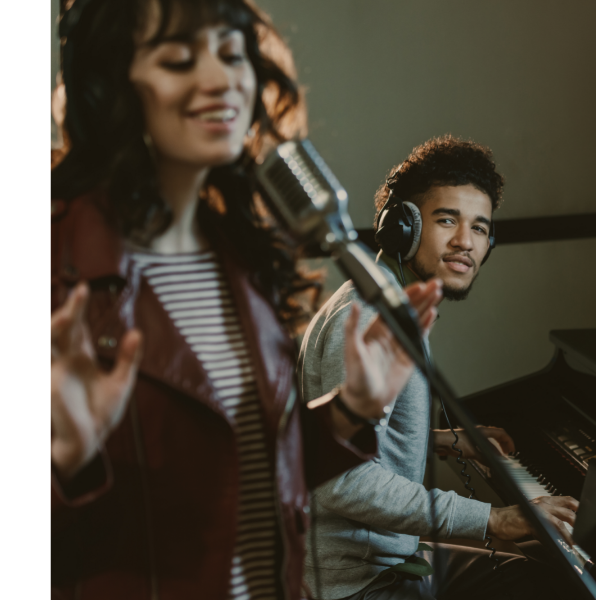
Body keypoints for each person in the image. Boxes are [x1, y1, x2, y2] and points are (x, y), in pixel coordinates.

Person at [50, 1, 442, 598]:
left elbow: (246, 471)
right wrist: (62, 467)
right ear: (109, 84)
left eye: (234, 55)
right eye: (180, 60)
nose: (221, 79)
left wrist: (348, 413)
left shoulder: (237, 253)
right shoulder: (49, 261)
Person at [298, 136, 579, 600]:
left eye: (481, 228)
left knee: (535, 570)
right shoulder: (370, 319)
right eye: (446, 219)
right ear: (401, 228)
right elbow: (341, 478)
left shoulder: (392, 301)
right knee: (542, 581)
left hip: (379, 557)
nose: (465, 242)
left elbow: (359, 438)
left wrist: (448, 441)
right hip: (357, 582)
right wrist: (494, 519)